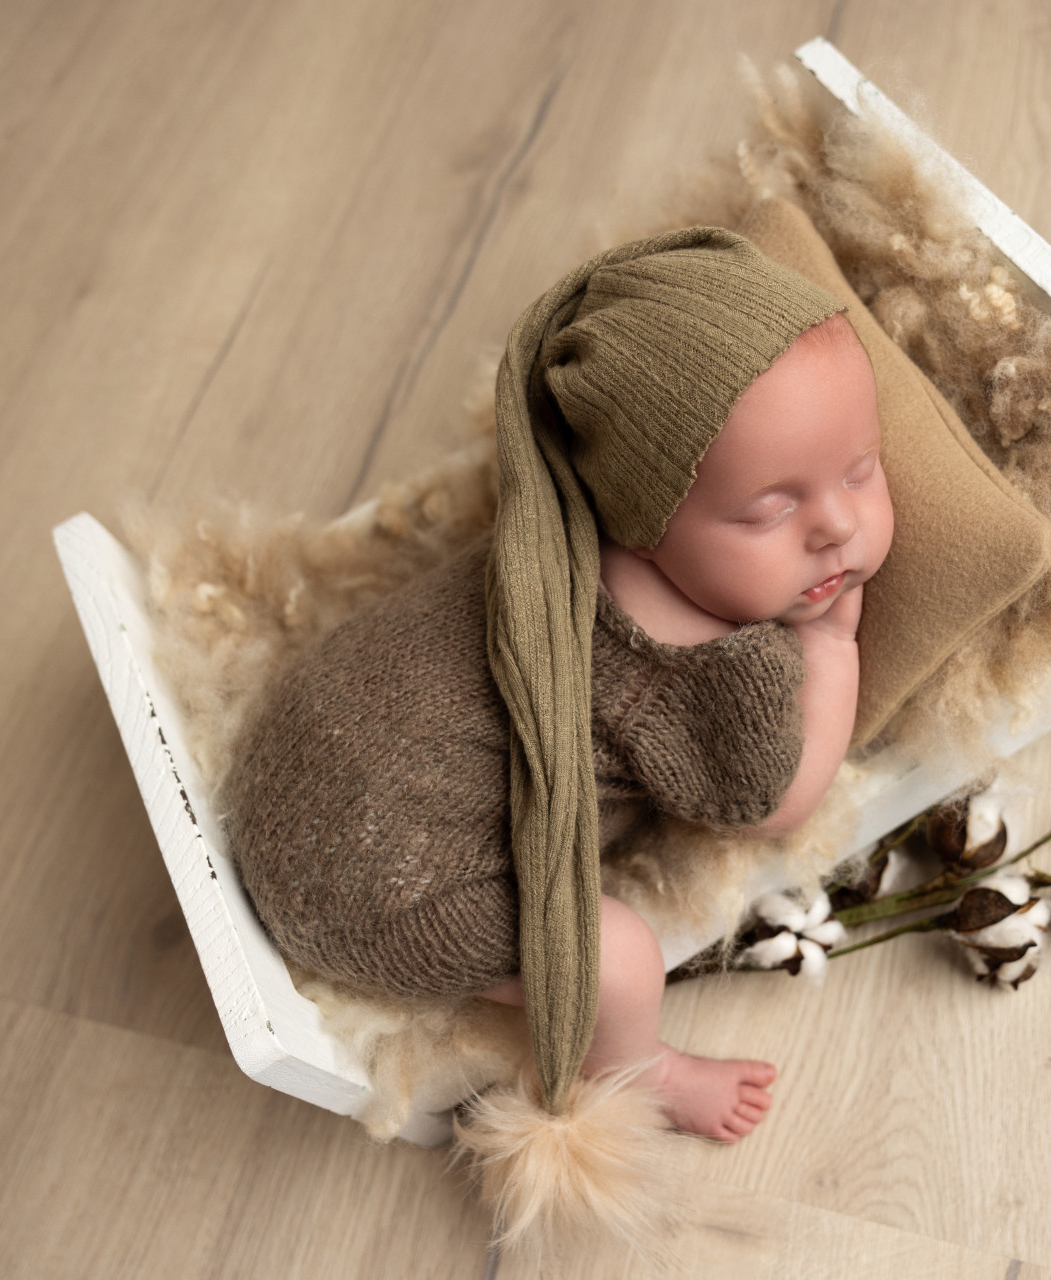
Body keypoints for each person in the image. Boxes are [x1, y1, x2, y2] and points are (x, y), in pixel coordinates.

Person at [224, 228, 893, 1145]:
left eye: (862, 468)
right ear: (648, 527)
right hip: (387, 890)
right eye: (769, 509)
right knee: (615, 958)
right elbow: (777, 798)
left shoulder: (555, 518)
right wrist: (836, 648)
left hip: (301, 745)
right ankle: (640, 1068)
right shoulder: (680, 660)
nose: (838, 525)